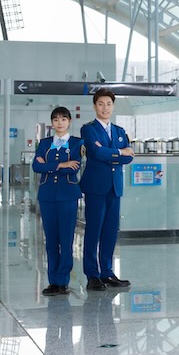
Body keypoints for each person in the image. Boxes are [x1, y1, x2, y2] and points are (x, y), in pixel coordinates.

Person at [79, 88, 134, 292]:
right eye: (101, 104)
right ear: (95, 106)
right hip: (95, 187)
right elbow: (96, 152)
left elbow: (129, 157)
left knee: (110, 231)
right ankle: (92, 275)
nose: (105, 108)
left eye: (109, 104)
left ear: (113, 106)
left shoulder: (119, 131)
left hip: (114, 187)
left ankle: (107, 273)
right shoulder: (89, 129)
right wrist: (119, 151)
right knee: (94, 231)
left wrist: (111, 153)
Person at [32, 106, 83, 296]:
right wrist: (61, 164)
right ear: (52, 123)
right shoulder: (44, 143)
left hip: (68, 195)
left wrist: (49, 165)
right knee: (51, 240)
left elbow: (74, 168)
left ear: (69, 121)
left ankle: (63, 281)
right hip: (47, 196)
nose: (59, 123)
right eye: (55, 120)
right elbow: (36, 167)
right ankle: (53, 281)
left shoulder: (77, 143)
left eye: (63, 119)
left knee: (66, 239)